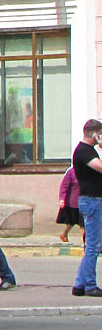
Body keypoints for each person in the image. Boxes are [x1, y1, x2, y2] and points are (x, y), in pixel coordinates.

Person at [72, 119, 102, 297]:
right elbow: (100, 167)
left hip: (93, 200)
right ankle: (90, 285)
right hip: (92, 201)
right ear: (94, 134)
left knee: (92, 245)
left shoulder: (88, 151)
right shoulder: (84, 151)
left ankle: (79, 285)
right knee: (93, 246)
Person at [58, 164, 83, 243]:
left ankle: (86, 242)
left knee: (83, 223)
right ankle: (64, 234)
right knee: (72, 221)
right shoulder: (71, 172)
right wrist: (62, 199)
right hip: (73, 202)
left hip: (85, 202)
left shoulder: (88, 171)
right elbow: (64, 186)